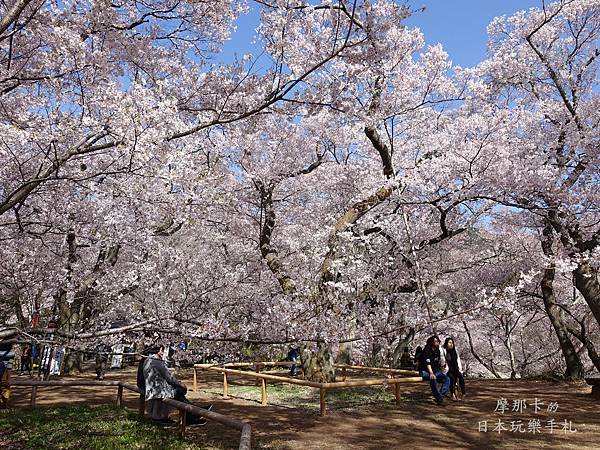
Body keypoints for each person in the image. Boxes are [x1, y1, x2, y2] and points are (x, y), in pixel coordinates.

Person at [142, 345, 212, 424]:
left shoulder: (147, 361)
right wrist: (180, 384)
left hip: (152, 390)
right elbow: (170, 378)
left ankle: (193, 413)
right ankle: (194, 413)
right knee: (180, 391)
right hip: (159, 391)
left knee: (179, 394)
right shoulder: (157, 362)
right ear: (160, 350)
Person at [419, 335, 450, 405]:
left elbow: (436, 363)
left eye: (438, 341)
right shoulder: (426, 350)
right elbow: (428, 363)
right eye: (436, 341)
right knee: (433, 378)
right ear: (431, 342)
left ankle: (441, 397)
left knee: (447, 379)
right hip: (425, 371)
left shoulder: (437, 351)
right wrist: (431, 373)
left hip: (435, 371)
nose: (438, 342)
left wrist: (442, 366)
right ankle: (439, 398)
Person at [0, 343, 15, 409]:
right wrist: (9, 378)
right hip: (4, 374)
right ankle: (5, 403)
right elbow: (9, 367)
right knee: (6, 388)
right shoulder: (11, 354)